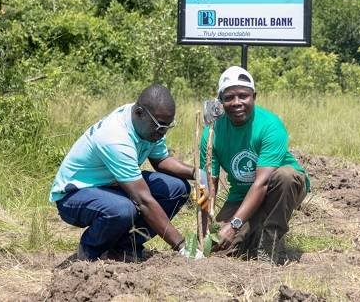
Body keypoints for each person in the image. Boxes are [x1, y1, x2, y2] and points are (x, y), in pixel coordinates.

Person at [49, 84, 202, 261]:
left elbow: (161, 161)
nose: (162, 132)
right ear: (139, 113)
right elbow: (143, 200)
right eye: (160, 126)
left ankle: (125, 247)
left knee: (177, 188)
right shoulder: (115, 137)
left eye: (167, 127)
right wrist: (182, 246)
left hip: (111, 184)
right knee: (123, 209)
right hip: (75, 195)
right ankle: (89, 253)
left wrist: (197, 173)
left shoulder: (151, 122)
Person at [200, 66, 310, 264]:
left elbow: (263, 182)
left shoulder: (270, 125)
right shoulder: (211, 133)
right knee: (219, 247)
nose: (237, 103)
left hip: (279, 187)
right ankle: (256, 228)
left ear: (254, 96)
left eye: (243, 96)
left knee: (284, 176)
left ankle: (270, 244)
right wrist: (203, 228)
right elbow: (208, 183)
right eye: (229, 98)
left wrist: (234, 225)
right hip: (241, 194)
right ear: (220, 100)